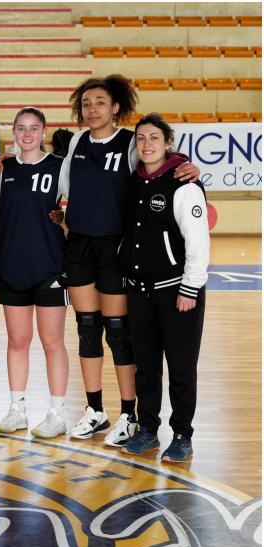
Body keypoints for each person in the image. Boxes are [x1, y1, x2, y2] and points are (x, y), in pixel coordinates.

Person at [60, 75, 198, 446]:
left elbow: (162, 163)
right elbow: (64, 188)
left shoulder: (129, 144)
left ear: (116, 107)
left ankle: (128, 415)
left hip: (116, 249)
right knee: (87, 328)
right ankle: (95, 410)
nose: (92, 109)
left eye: (100, 102)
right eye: (86, 103)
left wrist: (189, 166)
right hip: (79, 246)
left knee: (119, 334)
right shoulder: (76, 142)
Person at [118, 114, 209, 463]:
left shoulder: (184, 183)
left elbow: (198, 244)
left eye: (154, 137)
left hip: (177, 293)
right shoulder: (134, 181)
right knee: (146, 367)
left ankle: (182, 434)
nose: (147, 144)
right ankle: (147, 429)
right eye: (141, 138)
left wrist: (190, 289)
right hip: (140, 292)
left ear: (168, 142)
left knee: (181, 368)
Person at [0, 108, 70, 439]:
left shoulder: (60, 167)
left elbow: (83, 203)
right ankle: (17, 410)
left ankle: (57, 414)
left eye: (34, 128)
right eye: (21, 128)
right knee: (17, 341)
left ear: (44, 132)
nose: (27, 134)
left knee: (52, 342)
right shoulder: (4, 169)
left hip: (50, 266)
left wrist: (65, 219)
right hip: (13, 266)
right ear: (13, 132)